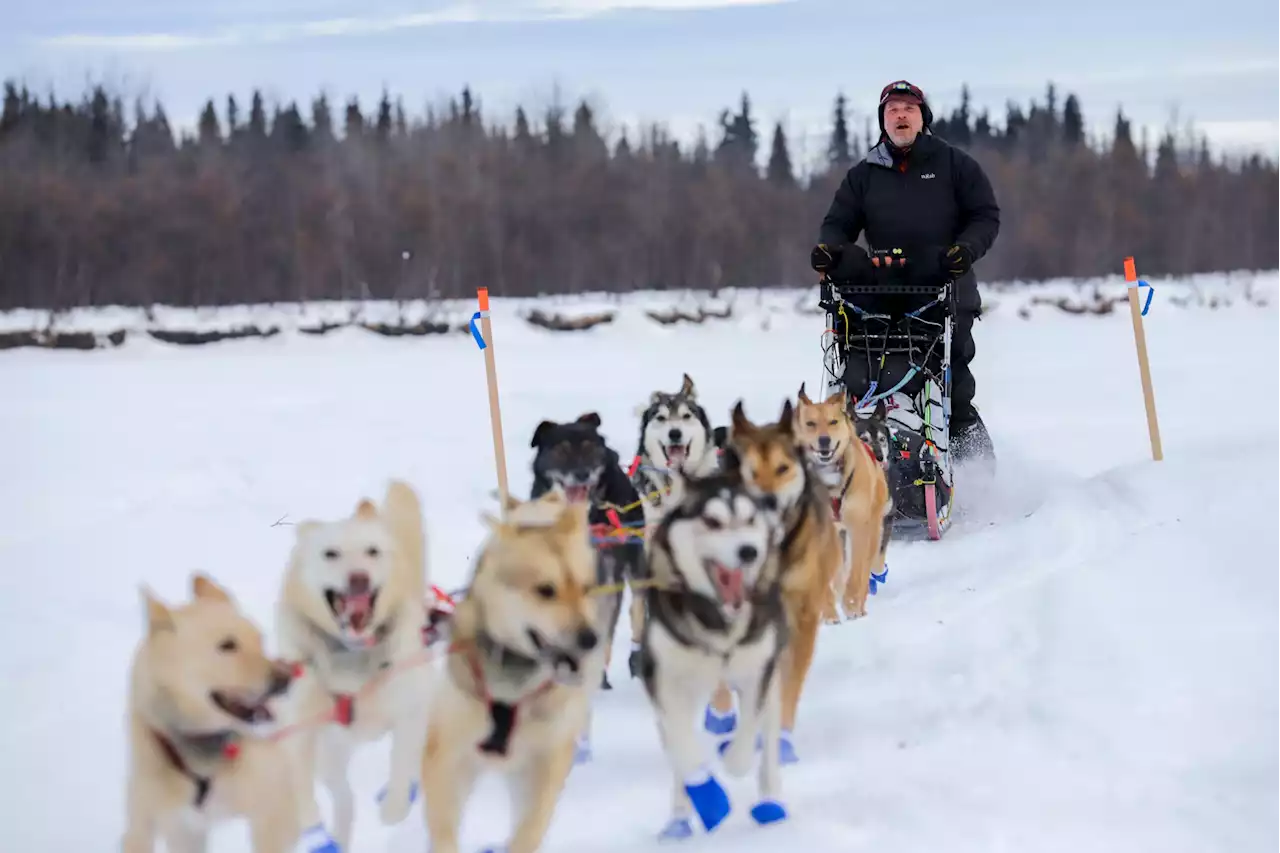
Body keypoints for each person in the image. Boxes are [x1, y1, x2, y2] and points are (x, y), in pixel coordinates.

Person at [810, 79, 999, 462]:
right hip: (881, 290)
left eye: (908, 109)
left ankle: (975, 473)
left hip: (946, 285)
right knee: (863, 376)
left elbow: (985, 216)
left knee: (955, 388)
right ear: (883, 120)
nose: (900, 115)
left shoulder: (954, 164)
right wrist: (830, 252)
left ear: (922, 118)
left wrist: (965, 250)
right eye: (892, 109)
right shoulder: (864, 173)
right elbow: (838, 224)